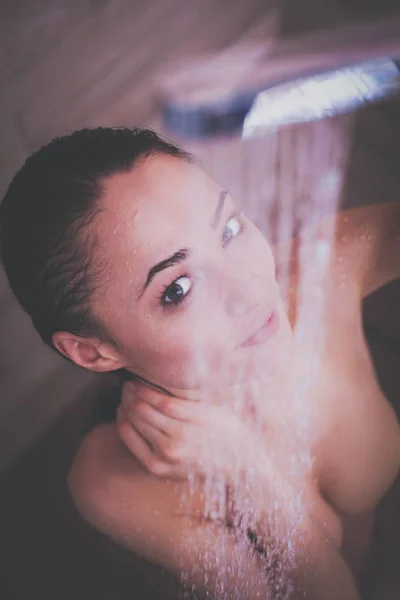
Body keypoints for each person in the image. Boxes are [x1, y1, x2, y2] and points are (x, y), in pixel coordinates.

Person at [0, 126, 399, 599]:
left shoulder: (320, 272)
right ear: (92, 351)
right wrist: (250, 479)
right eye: (178, 289)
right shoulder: (110, 478)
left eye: (228, 229)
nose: (251, 288)